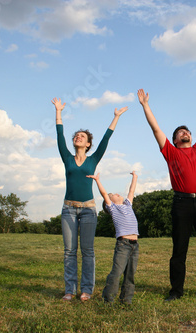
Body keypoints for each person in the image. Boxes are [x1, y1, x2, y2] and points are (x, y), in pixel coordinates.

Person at [137, 83, 196, 301]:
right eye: (180, 132)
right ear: (175, 140)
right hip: (181, 204)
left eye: (186, 131)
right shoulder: (170, 152)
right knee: (179, 251)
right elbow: (156, 129)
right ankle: (176, 291)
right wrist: (146, 106)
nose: (184, 133)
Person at [52, 97, 128, 302]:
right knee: (69, 252)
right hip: (68, 209)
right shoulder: (67, 158)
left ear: (88, 144)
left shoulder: (94, 159)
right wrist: (58, 111)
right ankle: (69, 290)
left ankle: (86, 289)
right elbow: (59, 134)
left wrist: (116, 117)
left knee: (87, 251)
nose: (78, 137)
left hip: (88, 210)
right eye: (76, 135)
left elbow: (106, 140)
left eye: (82, 136)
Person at [87, 171, 139, 305]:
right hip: (123, 245)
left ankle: (126, 300)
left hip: (135, 245)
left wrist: (135, 177)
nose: (116, 194)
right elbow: (104, 194)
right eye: (112, 195)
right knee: (117, 272)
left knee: (130, 274)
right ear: (108, 203)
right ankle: (108, 300)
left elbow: (132, 191)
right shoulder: (114, 209)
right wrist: (97, 180)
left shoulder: (128, 204)